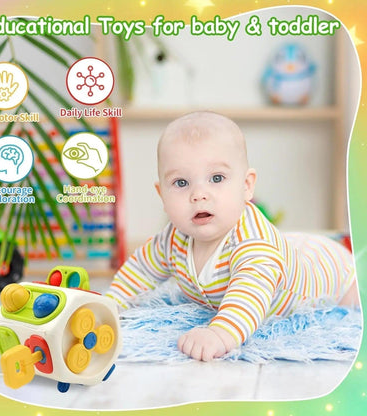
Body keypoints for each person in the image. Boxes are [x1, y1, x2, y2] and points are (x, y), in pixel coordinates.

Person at [105, 111, 358, 362]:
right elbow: (141, 269)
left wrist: (220, 333)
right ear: (162, 195)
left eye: (217, 178)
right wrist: (113, 304)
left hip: (333, 270)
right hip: (289, 250)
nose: (198, 194)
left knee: (356, 299)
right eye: (181, 183)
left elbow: (249, 295)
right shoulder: (173, 238)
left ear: (246, 185)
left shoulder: (253, 245)